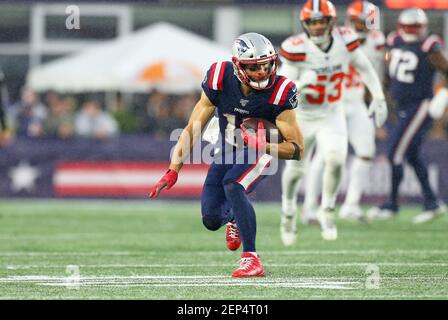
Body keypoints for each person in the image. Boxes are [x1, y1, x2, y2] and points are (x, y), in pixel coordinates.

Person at [149, 32, 304, 278]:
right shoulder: (220, 78)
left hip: (260, 151)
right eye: (254, 67)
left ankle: (251, 258)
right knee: (211, 219)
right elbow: (193, 128)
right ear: (239, 66)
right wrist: (173, 169)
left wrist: (263, 144)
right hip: (227, 151)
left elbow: (297, 149)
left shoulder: (281, 90)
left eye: (266, 64)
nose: (263, 72)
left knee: (233, 184)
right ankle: (233, 217)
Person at [278, 0, 388, 244]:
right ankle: (288, 212)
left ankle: (327, 210)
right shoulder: (297, 48)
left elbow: (364, 66)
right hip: (303, 116)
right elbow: (279, 90)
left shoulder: (344, 40)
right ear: (305, 24)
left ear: (331, 22)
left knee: (336, 160)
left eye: (321, 21)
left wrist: (378, 96)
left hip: (331, 111)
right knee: (296, 170)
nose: (317, 27)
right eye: (312, 22)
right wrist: (299, 85)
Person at [367, 8, 448, 224]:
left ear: (423, 28)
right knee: (412, 155)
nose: (411, 31)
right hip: (401, 106)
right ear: (400, 27)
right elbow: (388, 70)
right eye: (408, 27)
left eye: (415, 27)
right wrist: (382, 93)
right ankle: (432, 202)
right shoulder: (393, 41)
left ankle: (391, 204)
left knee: (394, 152)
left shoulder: (429, 46)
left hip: (420, 106)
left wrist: (444, 95)